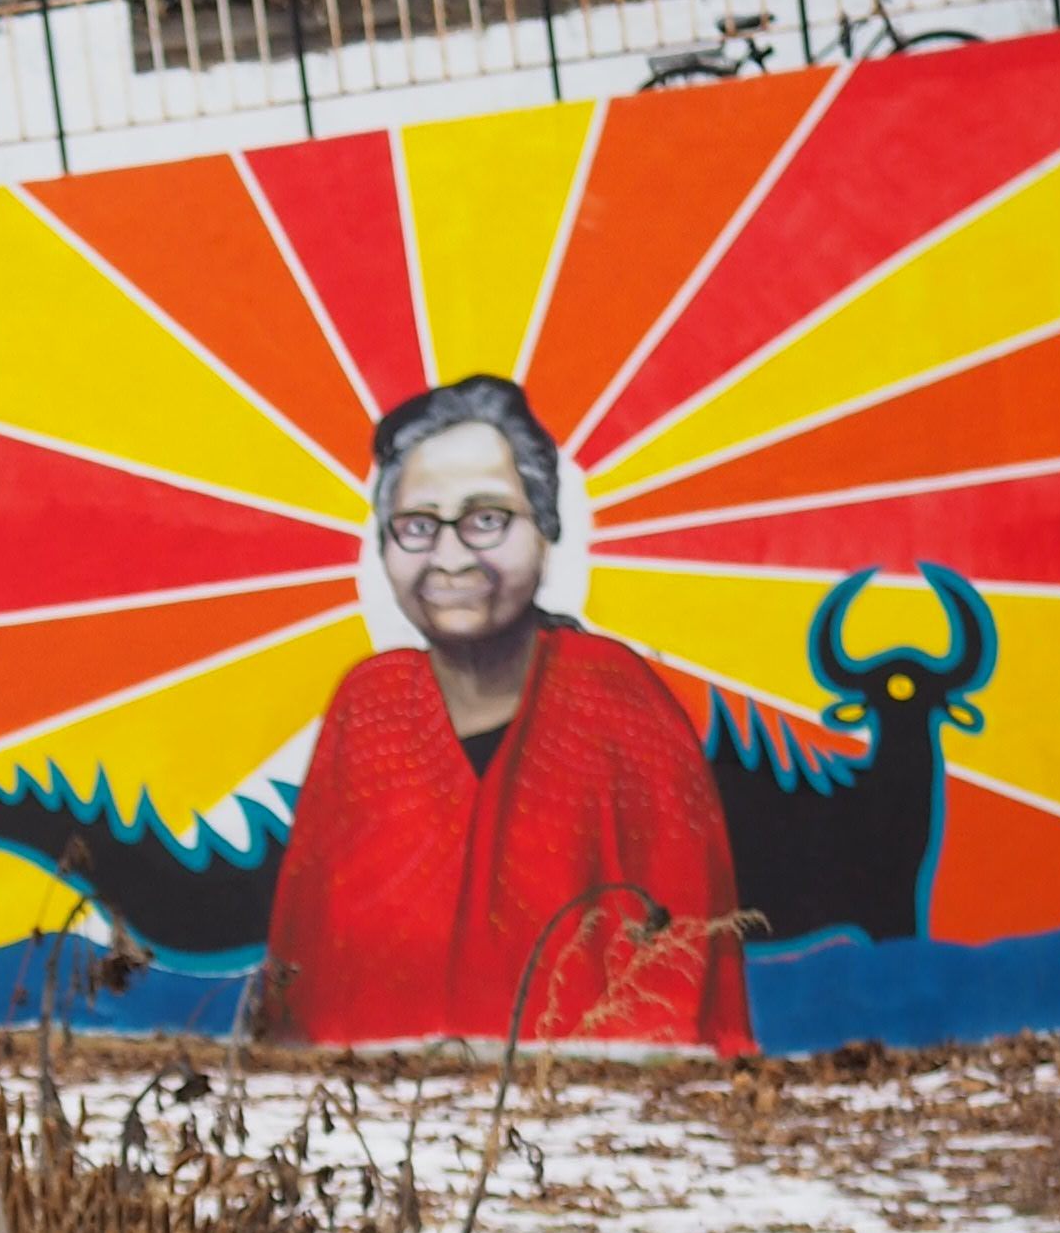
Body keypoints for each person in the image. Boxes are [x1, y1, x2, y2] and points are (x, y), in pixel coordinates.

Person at [264, 373, 751, 1051]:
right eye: (416, 526)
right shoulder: (366, 711)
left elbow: (681, 968)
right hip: (365, 1120)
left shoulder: (620, 707)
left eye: (487, 519)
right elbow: (300, 976)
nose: (451, 557)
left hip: (594, 1123)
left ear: (546, 529)